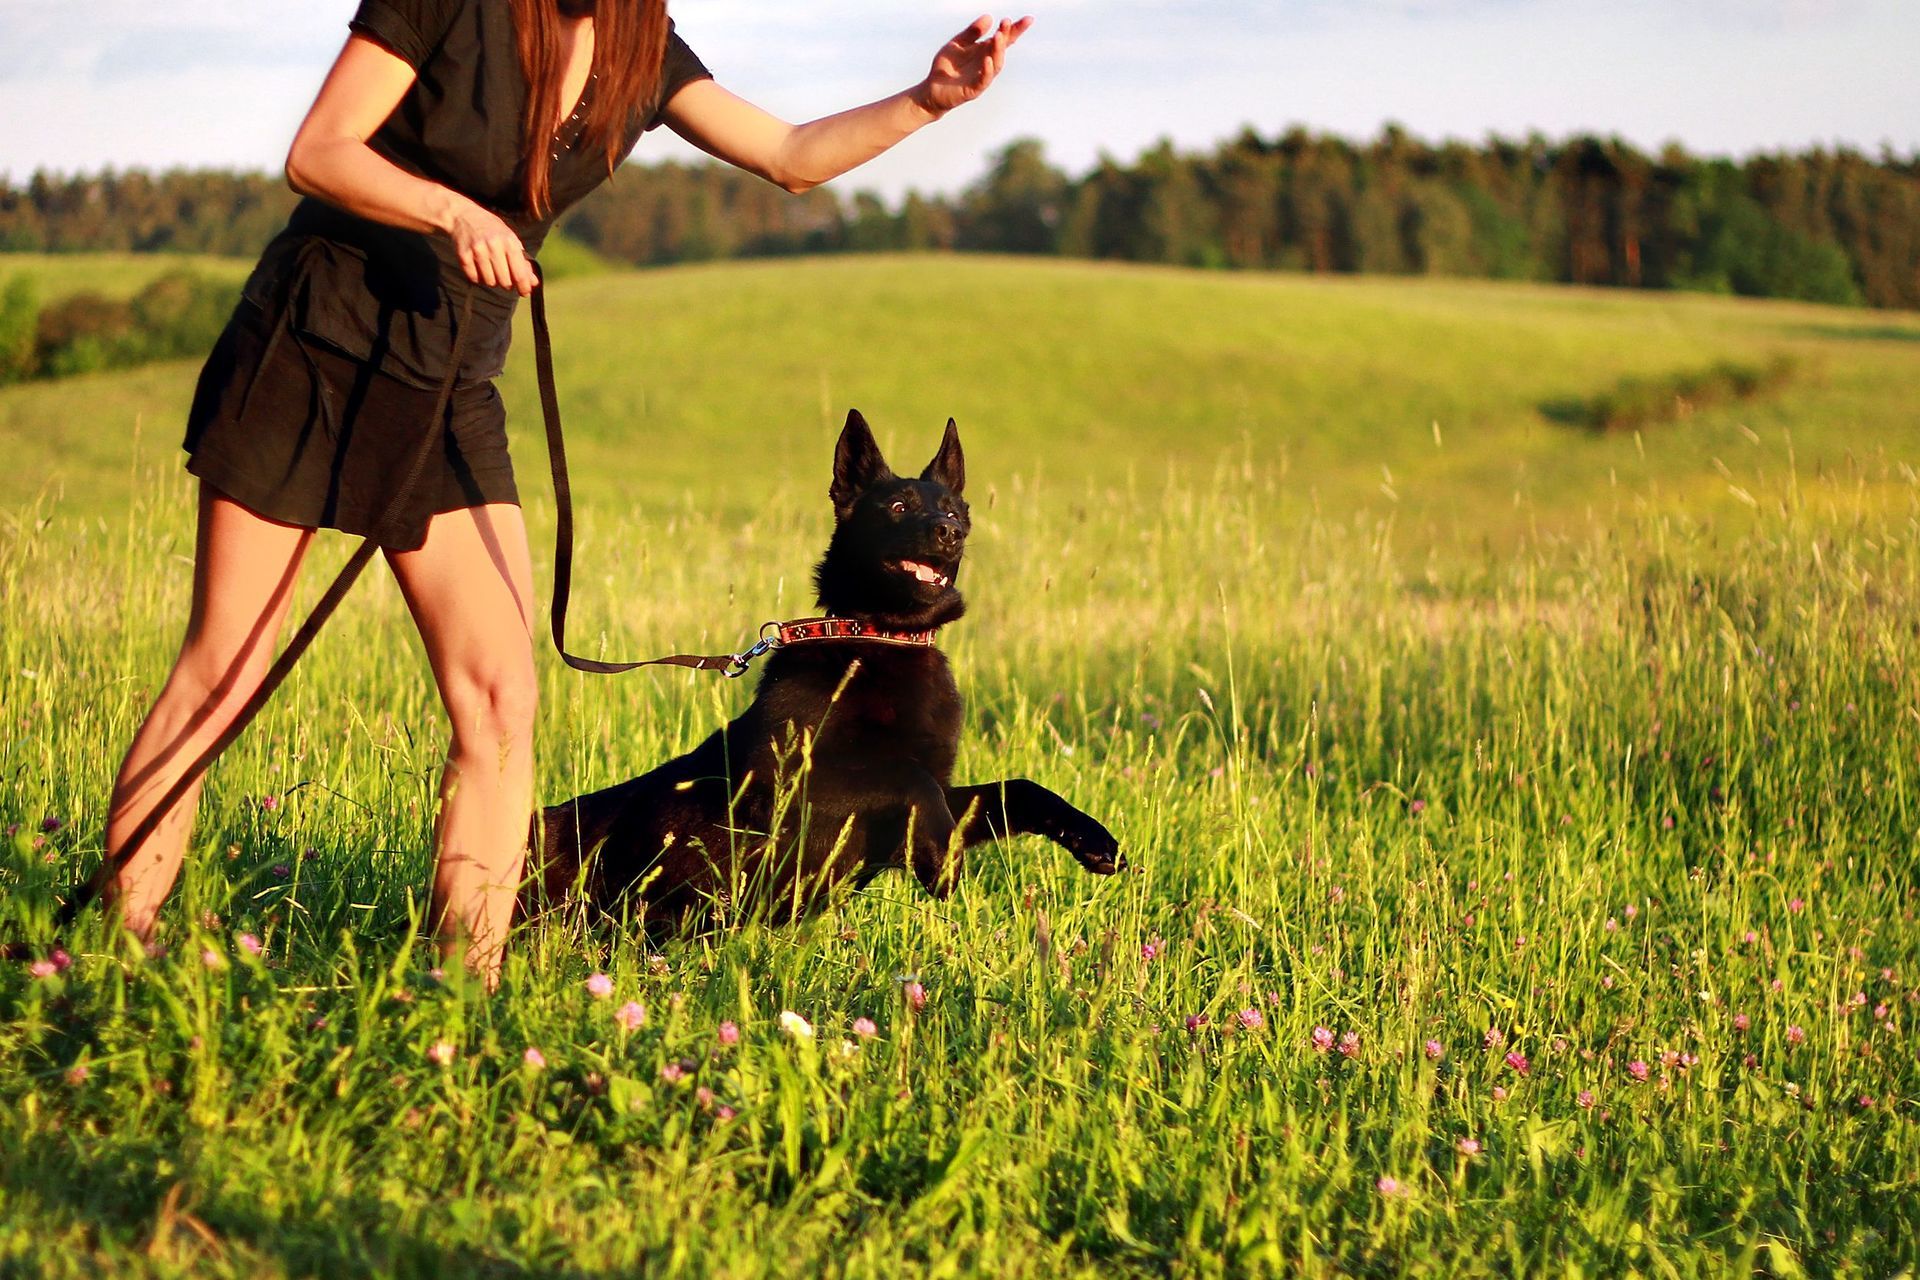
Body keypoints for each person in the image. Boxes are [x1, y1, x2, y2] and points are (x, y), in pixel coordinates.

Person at [98, 0, 1031, 982]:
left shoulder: (643, 50)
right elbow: (322, 150)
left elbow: (792, 154)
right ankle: (118, 957)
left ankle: (468, 992)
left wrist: (930, 100)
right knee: (225, 670)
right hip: (315, 348)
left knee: (501, 702)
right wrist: (449, 208)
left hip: (451, 382)